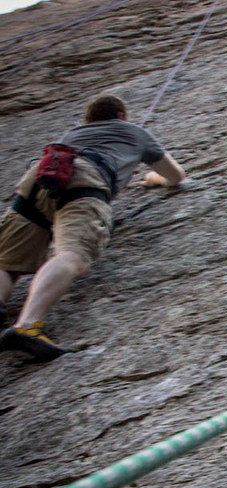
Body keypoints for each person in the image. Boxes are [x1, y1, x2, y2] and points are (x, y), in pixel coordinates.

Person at [0, 93, 185, 361]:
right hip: (85, 181)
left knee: (7, 262)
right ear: (121, 115)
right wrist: (156, 178)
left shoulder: (73, 134)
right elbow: (176, 176)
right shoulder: (135, 132)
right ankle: (27, 326)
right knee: (73, 255)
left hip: (38, 178)